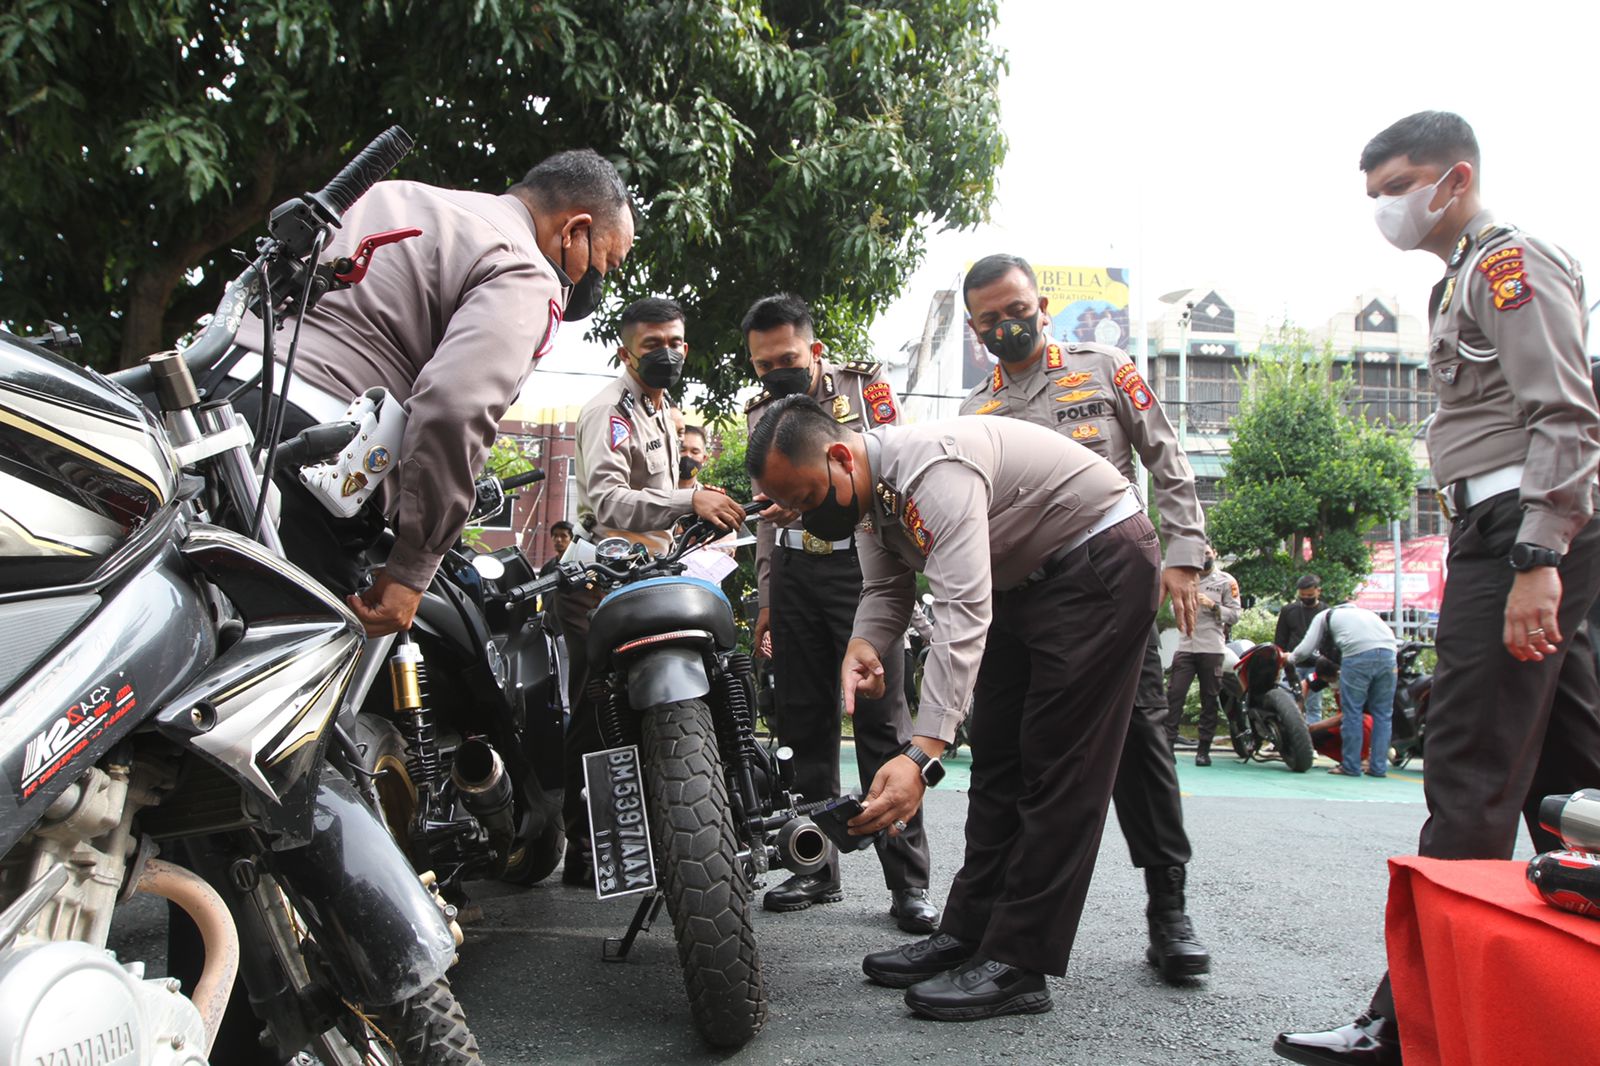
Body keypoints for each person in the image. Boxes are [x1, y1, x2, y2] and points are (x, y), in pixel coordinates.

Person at [1276, 112, 1600, 1065]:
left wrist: (1537, 559)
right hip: (1509, 530)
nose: (1387, 207)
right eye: (1374, 194)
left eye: (1400, 186)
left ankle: (1407, 1022)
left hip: (1522, 532)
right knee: (1572, 772)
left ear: (1455, 179)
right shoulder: (1460, 277)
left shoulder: (1507, 263)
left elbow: (1570, 418)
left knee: (1468, 769)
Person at [746, 395, 1161, 1021]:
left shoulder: (932, 471)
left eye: (804, 498)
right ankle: (970, 933)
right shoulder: (868, 495)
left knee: (1056, 770)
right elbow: (887, 586)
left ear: (839, 455)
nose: (804, 516)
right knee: (997, 758)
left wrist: (924, 750)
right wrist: (862, 642)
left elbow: (962, 608)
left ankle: (1020, 962)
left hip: (1096, 564)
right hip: (1024, 581)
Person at [231, 149, 636, 634]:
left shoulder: (390, 194)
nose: (593, 284)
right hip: (314, 455)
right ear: (573, 230)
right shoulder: (526, 268)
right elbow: (453, 407)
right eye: (601, 265)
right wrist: (411, 568)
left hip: (216, 401)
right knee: (303, 679)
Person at [957, 253, 1211, 980]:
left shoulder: (1104, 367)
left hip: (1108, 596)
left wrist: (1184, 552)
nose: (1009, 325)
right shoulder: (977, 410)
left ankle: (1169, 910)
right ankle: (993, 919)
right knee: (1010, 753)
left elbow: (1165, 455)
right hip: (1023, 600)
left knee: (1140, 749)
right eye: (991, 319)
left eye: (1018, 309)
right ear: (976, 331)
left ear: (1043, 304)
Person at [742, 293, 936, 932]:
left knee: (883, 725)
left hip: (863, 573)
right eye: (764, 365)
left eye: (787, 359)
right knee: (802, 728)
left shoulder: (866, 388)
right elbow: (769, 519)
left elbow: (894, 478)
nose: (776, 374)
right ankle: (813, 865)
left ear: (815, 351)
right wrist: (768, 597)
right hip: (796, 576)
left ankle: (908, 883)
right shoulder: (762, 416)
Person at [559, 297, 747, 884]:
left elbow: (656, 508)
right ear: (625, 351)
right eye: (652, 346)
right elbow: (611, 500)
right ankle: (583, 845)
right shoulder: (608, 411)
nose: (666, 354)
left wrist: (695, 511)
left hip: (649, 576)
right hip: (599, 580)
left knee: (665, 700)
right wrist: (688, 499)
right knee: (600, 710)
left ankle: (671, 832)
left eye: (674, 343)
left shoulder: (661, 411)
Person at [1290, 603, 1397, 778]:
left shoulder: (1324, 616)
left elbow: (1305, 649)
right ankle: (1378, 768)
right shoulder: (1366, 613)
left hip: (1358, 655)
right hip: (1389, 655)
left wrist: (1290, 658)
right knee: (1383, 714)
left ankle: (1351, 766)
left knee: (1352, 712)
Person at [1164, 544, 1240, 765]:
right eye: (1200, 554)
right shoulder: (1186, 578)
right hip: (1187, 646)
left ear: (1215, 553)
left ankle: (1203, 750)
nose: (1204, 557)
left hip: (1211, 647)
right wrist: (1186, 603)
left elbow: (1235, 615)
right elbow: (1172, 609)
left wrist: (1213, 606)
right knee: (1174, 696)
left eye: (1207, 553)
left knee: (1209, 699)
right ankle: (1167, 748)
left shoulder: (1226, 581)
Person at [1276, 574, 1329, 722]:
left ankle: (1313, 737)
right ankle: (1289, 735)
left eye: (1310, 595)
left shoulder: (1326, 612)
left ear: (1319, 591)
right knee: (1287, 703)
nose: (1306, 598)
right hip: (1292, 665)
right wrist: (1280, 662)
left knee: (1313, 705)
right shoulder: (1289, 610)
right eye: (1302, 595)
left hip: (1316, 666)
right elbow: (1280, 639)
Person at [678, 424, 708, 489]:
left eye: (695, 452)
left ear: (704, 459)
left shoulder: (709, 496)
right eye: (682, 450)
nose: (688, 455)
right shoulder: (655, 490)